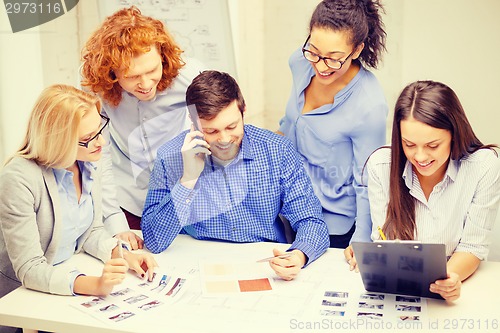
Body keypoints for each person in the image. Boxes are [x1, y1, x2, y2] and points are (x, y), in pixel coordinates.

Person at [141, 70, 329, 281]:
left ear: (243, 110)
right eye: (211, 131)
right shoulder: (169, 156)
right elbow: (154, 241)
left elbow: (311, 220)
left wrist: (299, 254)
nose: (224, 139)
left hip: (263, 264)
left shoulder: (277, 150)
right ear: (192, 122)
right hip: (198, 266)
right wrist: (187, 180)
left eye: (232, 126)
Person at [0, 85, 158, 304]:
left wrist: (123, 256)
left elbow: (90, 231)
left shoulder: (89, 162)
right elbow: (30, 268)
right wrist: (96, 285)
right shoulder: (19, 178)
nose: (101, 142)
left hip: (66, 278)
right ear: (58, 141)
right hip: (21, 297)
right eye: (89, 137)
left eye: (100, 130)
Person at [346, 80, 500, 301]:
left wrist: (450, 277)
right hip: (398, 288)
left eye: (432, 145)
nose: (419, 157)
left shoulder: (484, 166)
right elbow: (384, 241)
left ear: (454, 134)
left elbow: (472, 246)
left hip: (456, 287)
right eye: (409, 144)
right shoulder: (381, 165)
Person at [80, 6, 205, 240]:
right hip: (126, 198)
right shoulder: (94, 88)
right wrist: (116, 224)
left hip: (179, 191)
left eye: (152, 70)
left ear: (163, 57)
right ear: (111, 73)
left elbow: (221, 129)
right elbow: (99, 157)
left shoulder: (192, 76)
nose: (146, 84)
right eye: (132, 76)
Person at [278, 0, 388, 248]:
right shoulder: (300, 61)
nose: (320, 65)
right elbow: (289, 125)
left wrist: (362, 240)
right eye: (314, 52)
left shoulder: (369, 106)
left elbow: (369, 180)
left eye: (333, 58)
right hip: (289, 207)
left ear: (357, 50)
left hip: (333, 226)